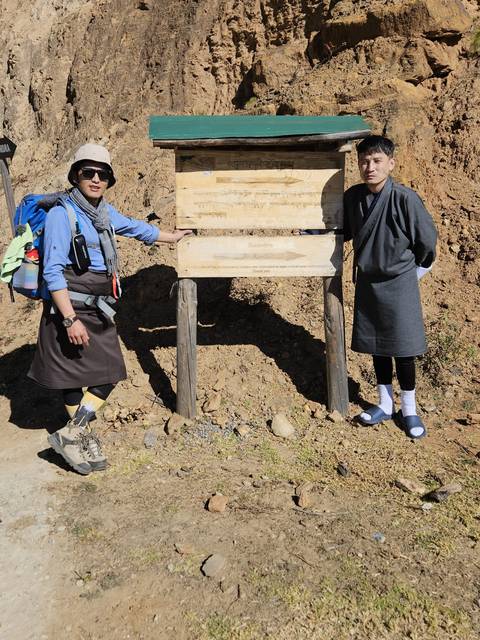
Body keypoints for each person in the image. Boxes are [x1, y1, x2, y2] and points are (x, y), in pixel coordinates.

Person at [28, 143, 191, 474]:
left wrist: (171, 237)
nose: (96, 179)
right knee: (75, 378)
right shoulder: (63, 213)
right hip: (71, 307)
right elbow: (52, 271)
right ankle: (78, 436)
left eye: (102, 174)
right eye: (88, 173)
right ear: (76, 176)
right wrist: (70, 319)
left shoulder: (103, 212)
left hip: (97, 306)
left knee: (106, 371)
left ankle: (73, 434)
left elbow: (134, 226)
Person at [343, 135, 437, 439]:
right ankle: (384, 403)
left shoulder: (404, 198)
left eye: (377, 160)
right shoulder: (354, 197)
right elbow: (343, 229)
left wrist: (414, 274)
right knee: (377, 346)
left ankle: (409, 408)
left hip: (399, 283)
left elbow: (427, 242)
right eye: (364, 161)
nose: (370, 167)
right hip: (369, 283)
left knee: (404, 348)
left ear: (390, 163)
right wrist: (310, 230)